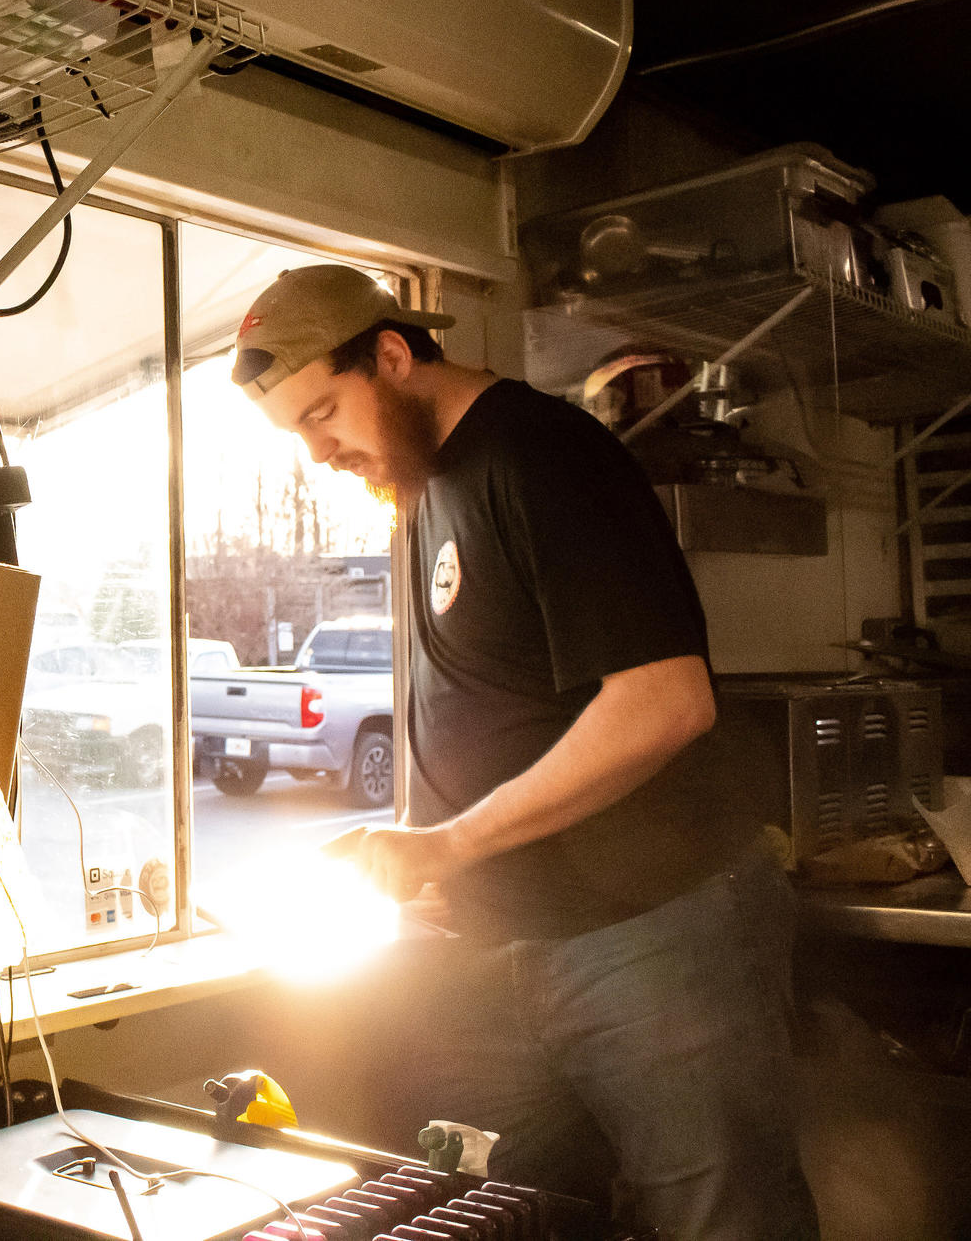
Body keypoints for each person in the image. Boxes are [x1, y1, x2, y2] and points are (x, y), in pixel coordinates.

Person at [231, 264, 818, 1241]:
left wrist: (451, 843)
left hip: (657, 937)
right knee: (515, 1216)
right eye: (298, 430)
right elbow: (495, 706)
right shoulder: (431, 490)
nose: (319, 451)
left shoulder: (539, 455)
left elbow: (664, 704)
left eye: (324, 412)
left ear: (390, 355)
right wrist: (427, 857)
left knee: (726, 1224)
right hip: (512, 950)